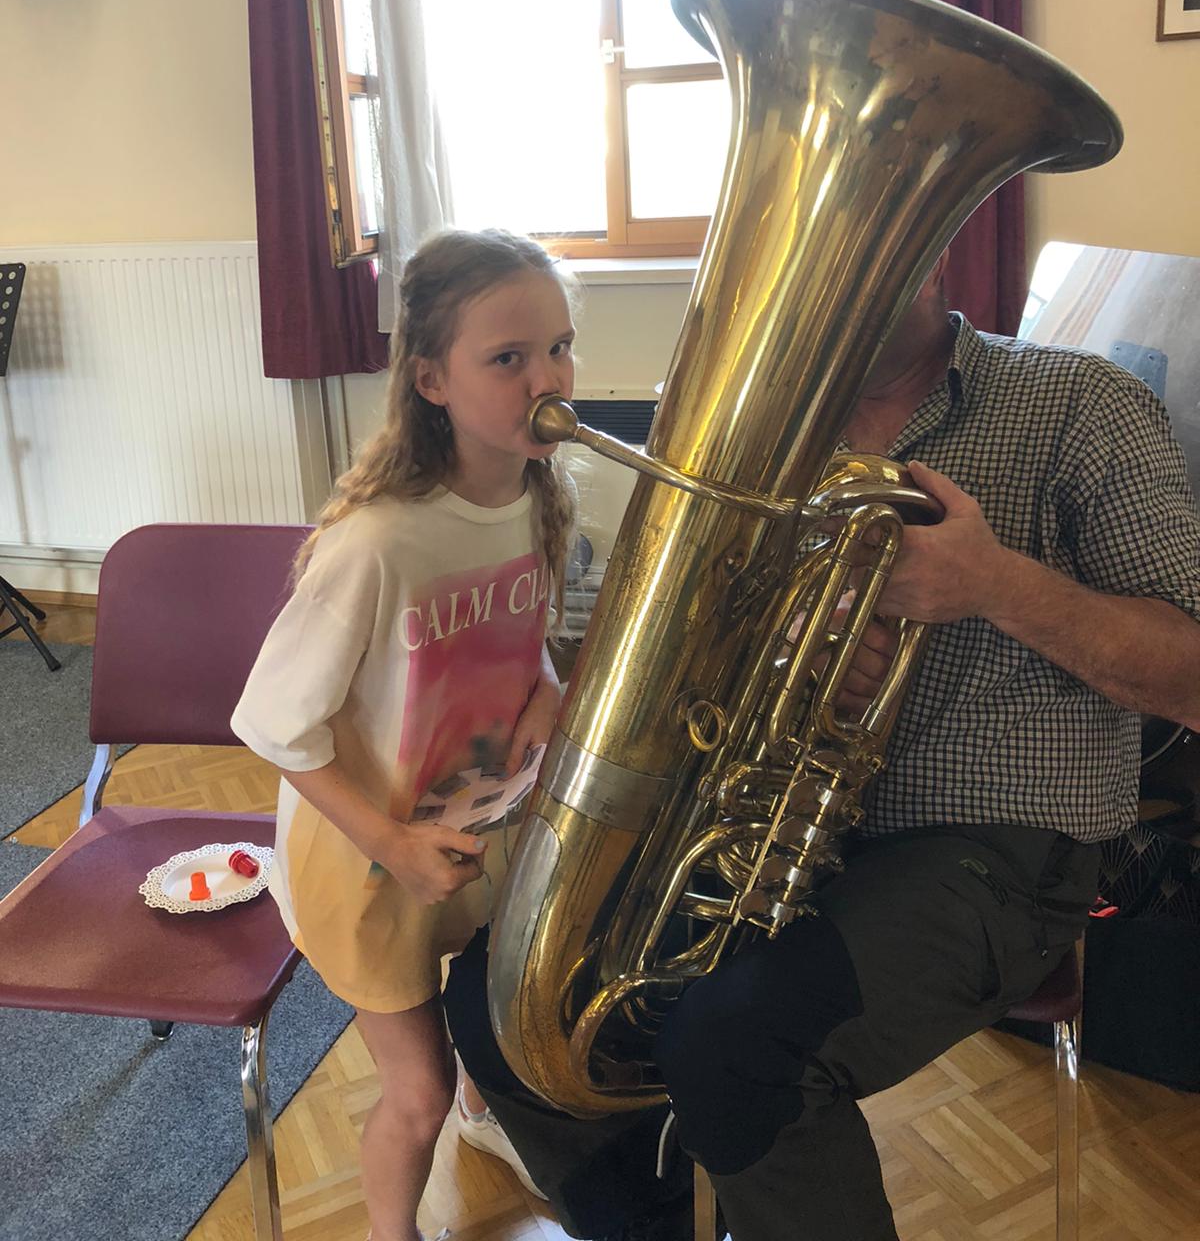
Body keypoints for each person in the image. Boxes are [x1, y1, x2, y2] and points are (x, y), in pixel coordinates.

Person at [443, 250, 1200, 1241]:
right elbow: (696, 656)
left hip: (994, 850)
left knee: (739, 1044)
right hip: (768, 817)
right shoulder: (759, 444)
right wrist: (787, 653)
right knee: (503, 993)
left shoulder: (1078, 402)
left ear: (937, 243)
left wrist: (993, 584)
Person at [231, 228, 578, 1241]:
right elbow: (271, 723)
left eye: (559, 348)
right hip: (369, 860)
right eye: (508, 358)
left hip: (475, 834)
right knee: (415, 1093)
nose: (548, 380)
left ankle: (485, 1119)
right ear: (431, 380)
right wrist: (391, 841)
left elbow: (527, 646)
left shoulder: (537, 495)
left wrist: (548, 692)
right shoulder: (378, 542)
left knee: (486, 1016)